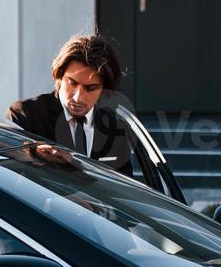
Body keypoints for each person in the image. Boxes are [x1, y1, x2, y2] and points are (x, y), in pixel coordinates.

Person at [8, 33, 134, 175]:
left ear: (104, 91)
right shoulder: (26, 115)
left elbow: (124, 186)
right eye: (72, 83)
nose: (78, 97)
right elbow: (7, 175)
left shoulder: (114, 128)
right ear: (59, 77)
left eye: (90, 88)